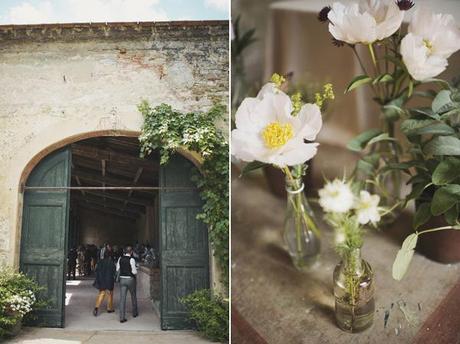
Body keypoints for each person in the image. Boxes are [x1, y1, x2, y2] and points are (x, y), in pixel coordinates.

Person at [116, 246, 138, 323]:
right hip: (130, 279)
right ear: (131, 252)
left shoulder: (120, 259)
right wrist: (136, 269)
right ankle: (134, 313)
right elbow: (134, 272)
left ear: (125, 251)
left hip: (122, 279)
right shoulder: (132, 259)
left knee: (122, 299)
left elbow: (117, 269)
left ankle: (122, 317)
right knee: (133, 295)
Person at [93, 250, 116, 316]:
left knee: (101, 294)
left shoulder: (100, 262)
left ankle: (96, 308)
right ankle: (109, 308)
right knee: (110, 294)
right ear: (110, 256)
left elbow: (96, 270)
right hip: (109, 280)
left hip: (101, 280)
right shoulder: (111, 262)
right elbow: (114, 271)